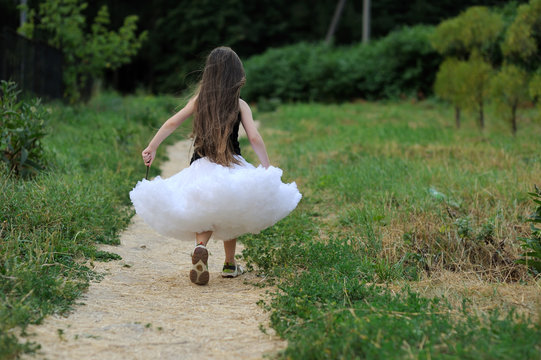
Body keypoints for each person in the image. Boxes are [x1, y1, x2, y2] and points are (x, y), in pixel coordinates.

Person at [129, 47, 301, 286]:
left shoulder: (199, 100)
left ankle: (201, 247)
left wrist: (152, 146)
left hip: (201, 164)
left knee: (205, 213)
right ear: (236, 74)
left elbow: (171, 122)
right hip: (232, 165)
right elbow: (254, 138)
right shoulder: (240, 104)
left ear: (209, 74)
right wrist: (267, 167)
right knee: (232, 209)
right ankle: (230, 264)